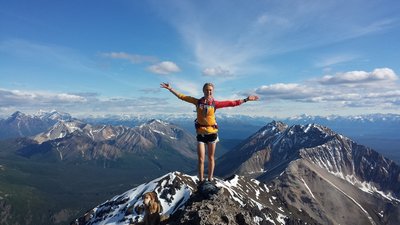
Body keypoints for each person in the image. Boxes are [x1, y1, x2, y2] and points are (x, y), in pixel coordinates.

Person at [160, 82, 259, 185]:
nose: (209, 92)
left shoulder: (215, 104)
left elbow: (232, 103)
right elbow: (182, 97)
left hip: (212, 133)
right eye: (207, 90)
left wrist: (246, 99)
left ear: (213, 91)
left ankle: (210, 179)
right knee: (201, 158)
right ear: (203, 91)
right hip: (201, 134)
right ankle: (201, 180)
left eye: (210, 90)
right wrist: (170, 88)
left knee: (211, 157)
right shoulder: (197, 102)